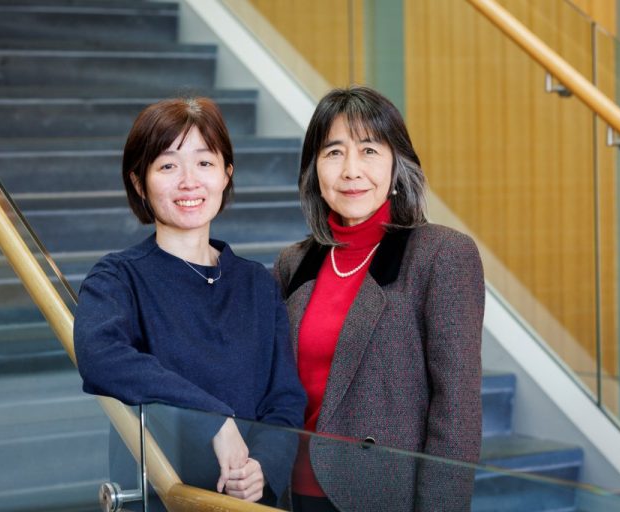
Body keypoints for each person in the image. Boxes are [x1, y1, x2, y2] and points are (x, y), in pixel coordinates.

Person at [73, 97, 306, 508]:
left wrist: (262, 468)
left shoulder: (256, 281)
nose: (189, 181)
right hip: (160, 499)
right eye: (167, 166)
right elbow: (100, 356)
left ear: (226, 174)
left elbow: (284, 397)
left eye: (204, 162)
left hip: (244, 502)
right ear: (139, 183)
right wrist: (215, 421)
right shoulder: (118, 278)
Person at [273, 86, 484, 512]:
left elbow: (457, 410)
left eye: (369, 150)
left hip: (380, 496)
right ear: (314, 170)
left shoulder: (440, 254)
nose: (351, 170)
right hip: (291, 491)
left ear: (396, 164)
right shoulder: (293, 262)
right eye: (334, 152)